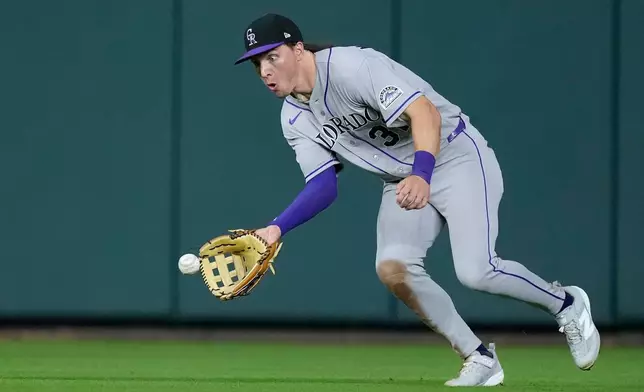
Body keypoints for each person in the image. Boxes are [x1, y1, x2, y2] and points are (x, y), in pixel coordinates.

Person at [233, 13, 600, 387]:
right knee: (393, 267)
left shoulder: (352, 66)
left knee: (477, 271)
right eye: (257, 63)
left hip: (454, 157)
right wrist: (276, 228)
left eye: (272, 56)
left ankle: (567, 304)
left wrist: (422, 173)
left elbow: (423, 112)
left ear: (298, 49)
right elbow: (324, 185)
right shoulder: (293, 118)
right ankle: (478, 356)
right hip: (400, 180)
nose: (265, 70)